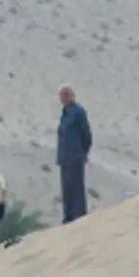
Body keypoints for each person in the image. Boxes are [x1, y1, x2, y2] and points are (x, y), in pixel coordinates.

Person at [56, 86, 92, 224]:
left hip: (75, 156)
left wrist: (83, 152)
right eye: (62, 95)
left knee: (76, 186)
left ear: (72, 96)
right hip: (64, 157)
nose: (64, 97)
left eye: (67, 94)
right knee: (66, 188)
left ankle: (79, 215)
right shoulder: (64, 113)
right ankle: (69, 215)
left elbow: (86, 134)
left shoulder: (78, 112)